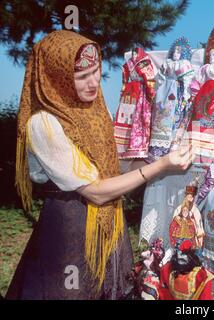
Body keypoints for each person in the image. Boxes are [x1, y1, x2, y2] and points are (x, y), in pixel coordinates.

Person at [7, 30, 192, 300]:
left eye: (96, 71)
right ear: (56, 79)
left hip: (108, 226)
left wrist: (159, 155)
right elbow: (95, 190)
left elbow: (112, 167)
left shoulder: (94, 111)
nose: (94, 83)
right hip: (69, 232)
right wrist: (160, 166)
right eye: (82, 76)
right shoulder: (43, 124)